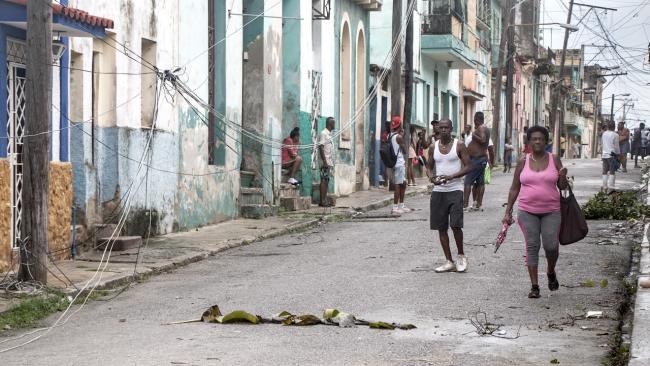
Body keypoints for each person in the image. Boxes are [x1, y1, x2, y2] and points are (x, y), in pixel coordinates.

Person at [503, 126, 569, 298]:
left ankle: (550, 271)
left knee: (551, 246)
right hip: (527, 211)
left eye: (541, 139)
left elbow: (562, 187)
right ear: (529, 142)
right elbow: (514, 188)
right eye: (534, 139)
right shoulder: (522, 162)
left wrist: (563, 177)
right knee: (532, 245)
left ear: (546, 142)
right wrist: (508, 211)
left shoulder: (554, 159)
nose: (538, 141)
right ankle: (534, 286)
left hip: (551, 211)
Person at [427, 119, 472, 273]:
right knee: (441, 227)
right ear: (438, 129)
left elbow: (468, 167)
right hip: (439, 192)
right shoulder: (434, 146)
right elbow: (429, 166)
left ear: (451, 128)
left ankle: (460, 255)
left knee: (455, 224)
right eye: (441, 128)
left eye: (447, 127)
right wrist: (431, 177)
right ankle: (448, 260)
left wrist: (452, 176)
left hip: (455, 189)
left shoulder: (459, 145)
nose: (444, 130)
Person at [463, 112, 490, 211]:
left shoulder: (481, 128)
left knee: (467, 182)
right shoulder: (485, 128)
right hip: (481, 159)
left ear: (476, 119)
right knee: (480, 182)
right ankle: (478, 204)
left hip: (476, 160)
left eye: (474, 119)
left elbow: (482, 140)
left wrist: (474, 135)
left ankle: (465, 205)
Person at [391, 116, 411, 214]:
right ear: (400, 125)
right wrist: (402, 136)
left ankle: (401, 205)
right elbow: (404, 150)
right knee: (398, 185)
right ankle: (395, 207)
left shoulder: (390, 136)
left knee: (403, 184)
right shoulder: (398, 137)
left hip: (396, 163)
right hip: (399, 163)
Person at [318, 117, 336, 207]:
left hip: (329, 161)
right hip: (325, 162)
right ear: (330, 124)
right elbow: (321, 147)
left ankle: (324, 200)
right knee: (324, 180)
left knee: (326, 180)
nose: (334, 125)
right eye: (333, 123)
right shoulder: (323, 133)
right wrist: (324, 161)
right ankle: (322, 201)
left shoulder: (329, 134)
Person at [601, 121, 620, 193]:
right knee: (612, 171)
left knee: (604, 171)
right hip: (612, 155)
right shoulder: (615, 135)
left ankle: (604, 187)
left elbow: (602, 144)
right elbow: (617, 147)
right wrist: (618, 155)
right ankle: (611, 188)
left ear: (608, 126)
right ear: (614, 126)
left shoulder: (604, 134)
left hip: (604, 155)